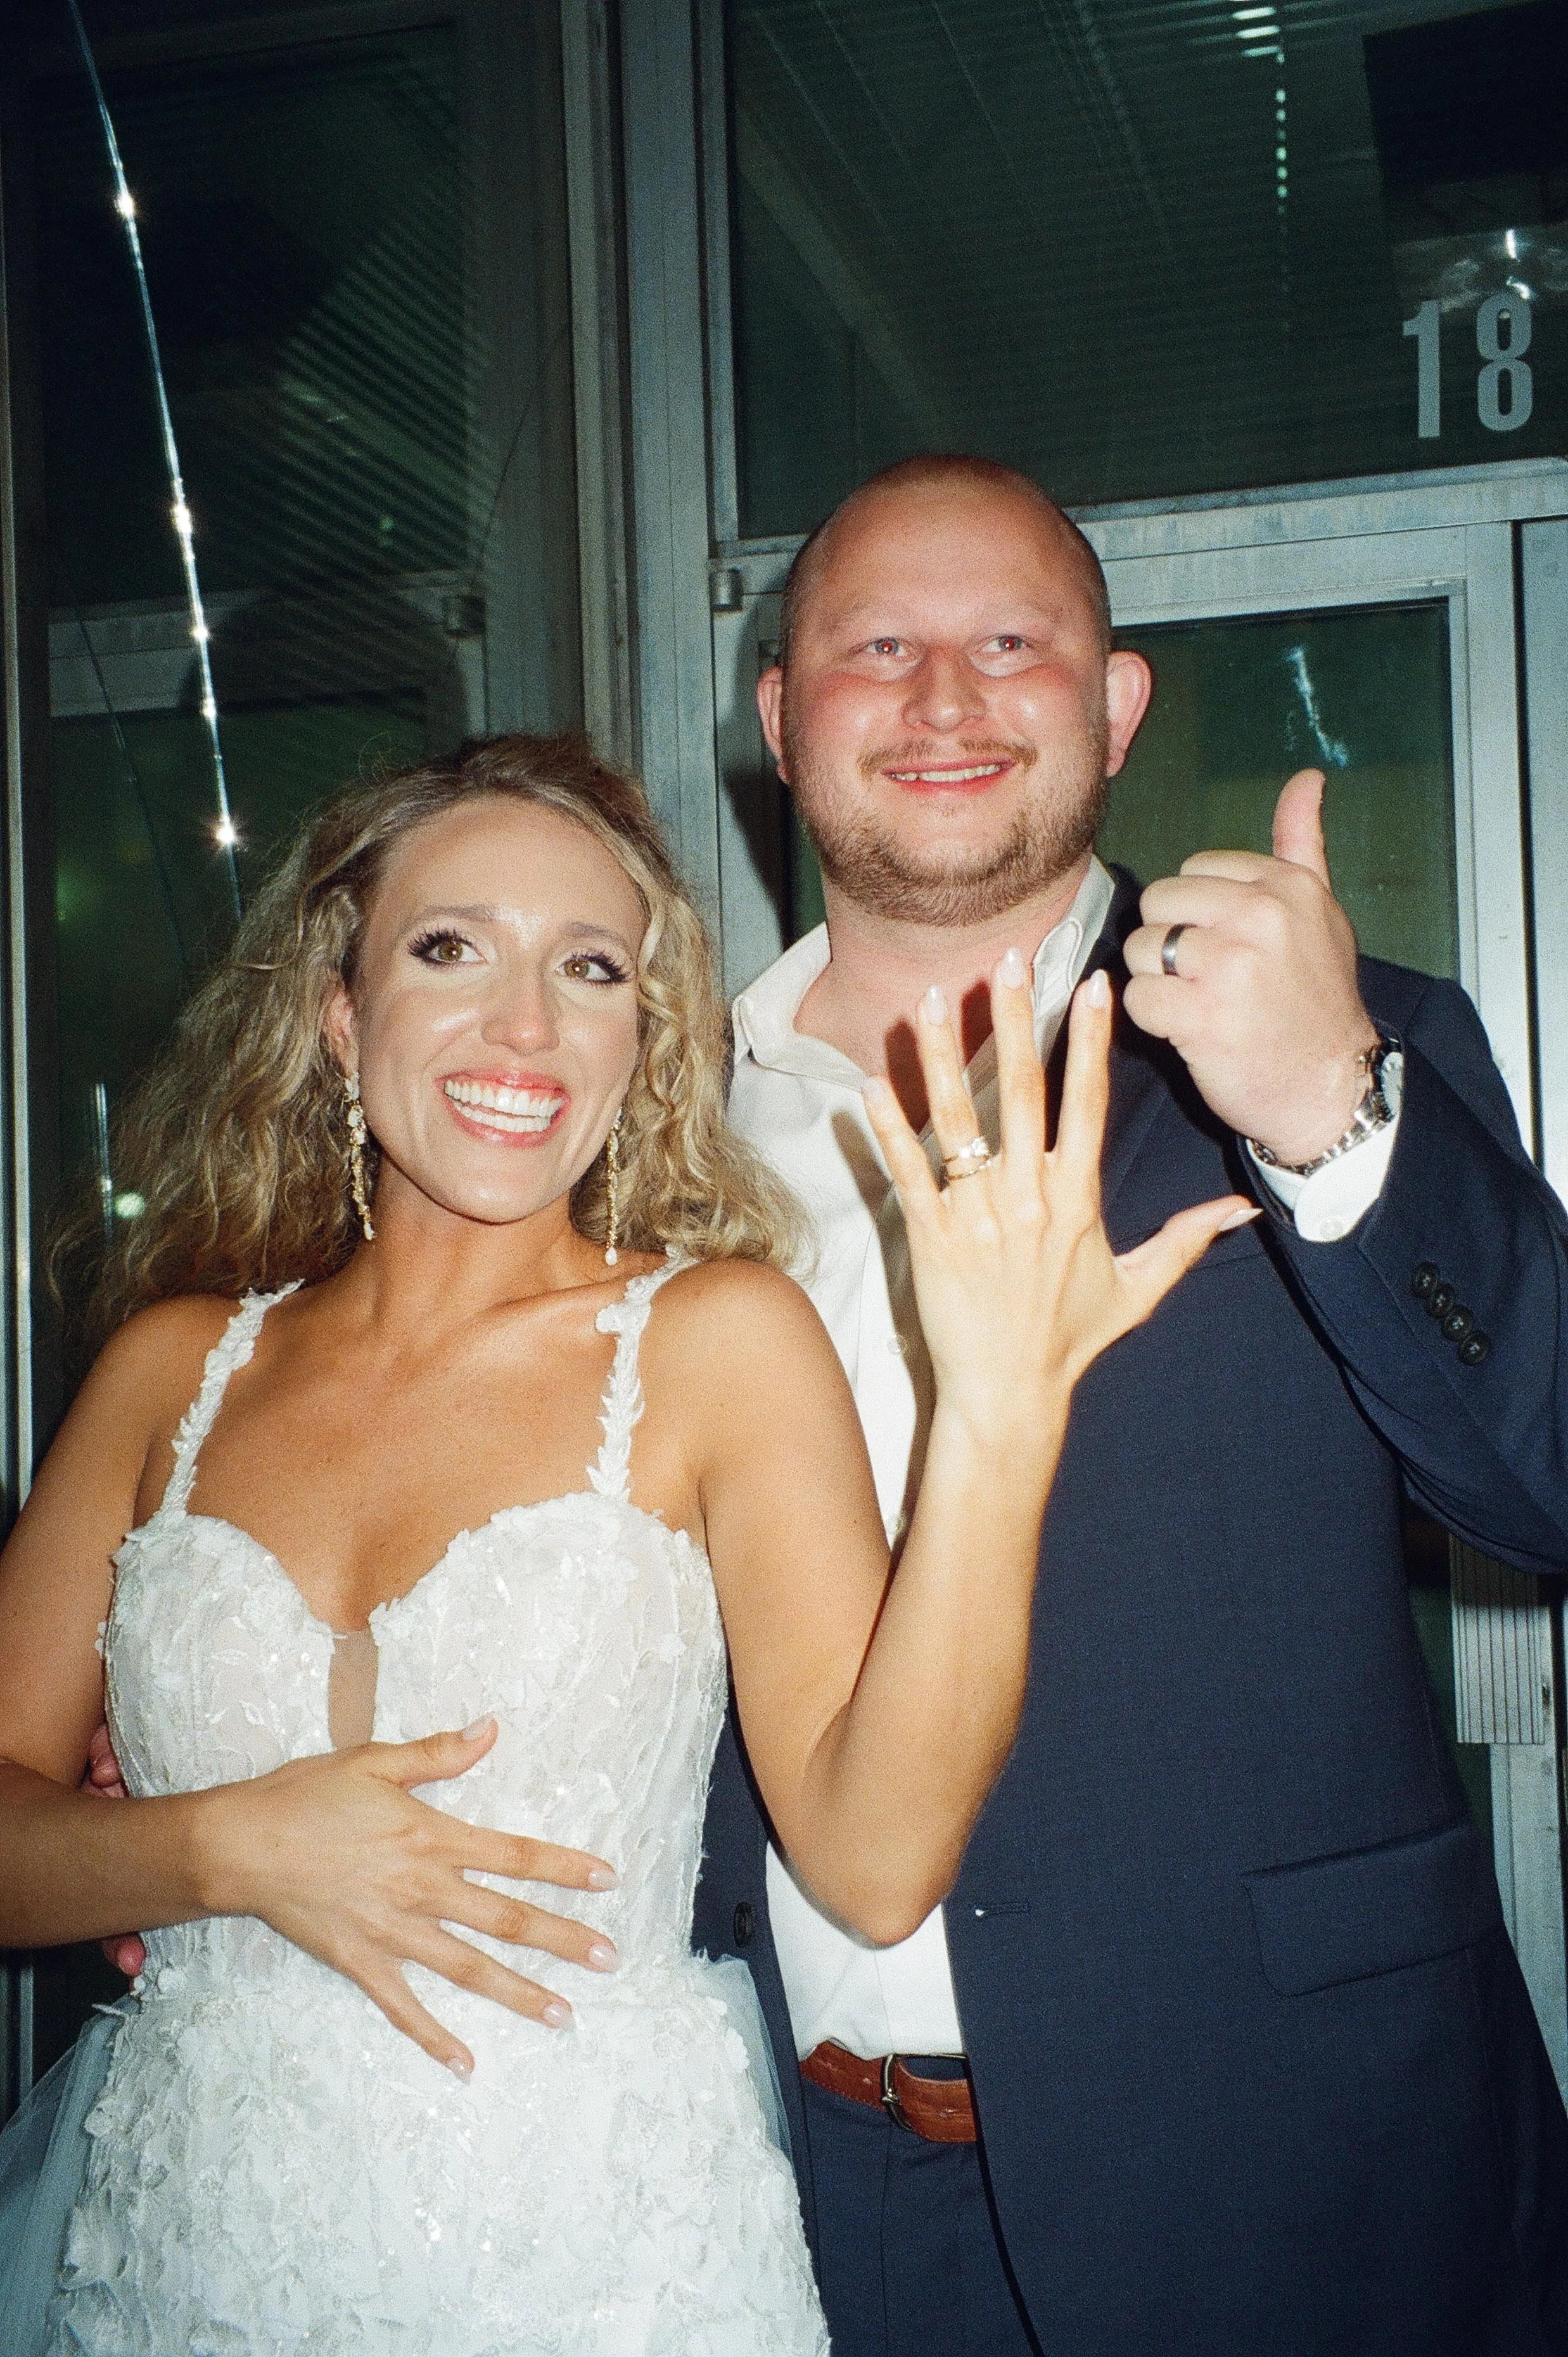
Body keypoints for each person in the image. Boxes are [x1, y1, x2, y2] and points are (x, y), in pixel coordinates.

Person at [0, 734, 1241, 2355]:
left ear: (639, 1038)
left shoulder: (717, 1342)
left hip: (595, 2258)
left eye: (588, 970)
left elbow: (875, 1866)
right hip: (195, 2244)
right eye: (452, 951)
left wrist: (1000, 1416)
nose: (525, 1027)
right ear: (337, 1008)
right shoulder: (171, 1369)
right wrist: (219, 1850)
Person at [692, 453, 1568, 2356]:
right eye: (876, 647)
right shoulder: (646, 1121)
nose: (941, 699)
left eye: (1012, 642)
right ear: (779, 719)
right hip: (783, 2180)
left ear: (1113, 704)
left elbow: (1549, 1487)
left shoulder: (1341, 1034)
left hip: (1285, 2165)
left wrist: (1331, 1115)